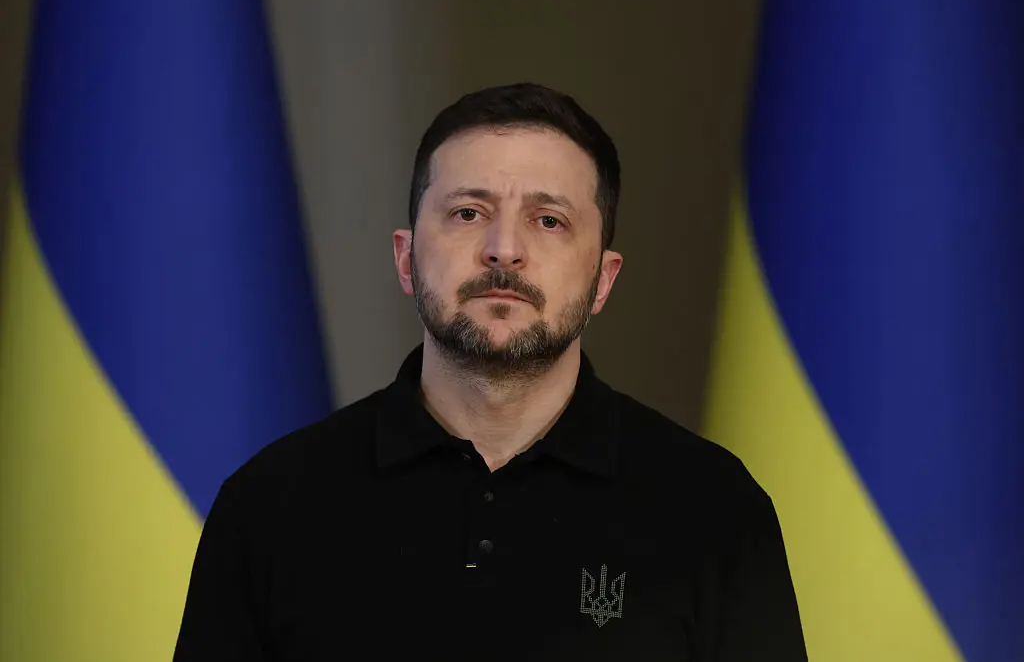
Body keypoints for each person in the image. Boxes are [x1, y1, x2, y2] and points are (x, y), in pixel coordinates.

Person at [173, 82, 807, 661]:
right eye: (468, 213)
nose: (504, 249)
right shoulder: (270, 505)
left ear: (602, 280)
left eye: (549, 220)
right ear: (406, 259)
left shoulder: (715, 511)